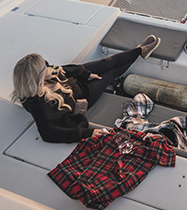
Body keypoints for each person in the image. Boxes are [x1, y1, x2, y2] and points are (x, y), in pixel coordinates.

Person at [11, 35, 161, 143]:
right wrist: (86, 133)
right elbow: (48, 133)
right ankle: (139, 52)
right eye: (43, 68)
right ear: (36, 79)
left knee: (106, 62)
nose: (47, 66)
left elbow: (64, 69)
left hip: (74, 79)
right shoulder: (38, 104)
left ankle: (138, 51)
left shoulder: (43, 74)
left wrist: (85, 73)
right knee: (110, 74)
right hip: (83, 94)